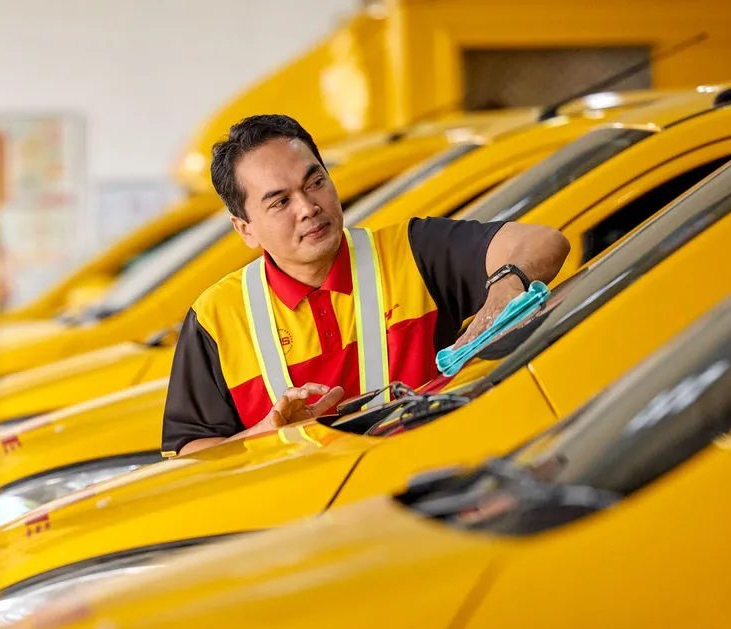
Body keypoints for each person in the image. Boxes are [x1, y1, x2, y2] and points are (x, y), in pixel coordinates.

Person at [162, 114, 570, 457]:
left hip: (430, 498)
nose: (308, 208)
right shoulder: (215, 317)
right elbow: (188, 458)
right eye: (280, 202)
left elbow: (543, 242)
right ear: (245, 229)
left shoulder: (411, 251)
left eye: (315, 182)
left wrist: (501, 296)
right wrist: (267, 433)